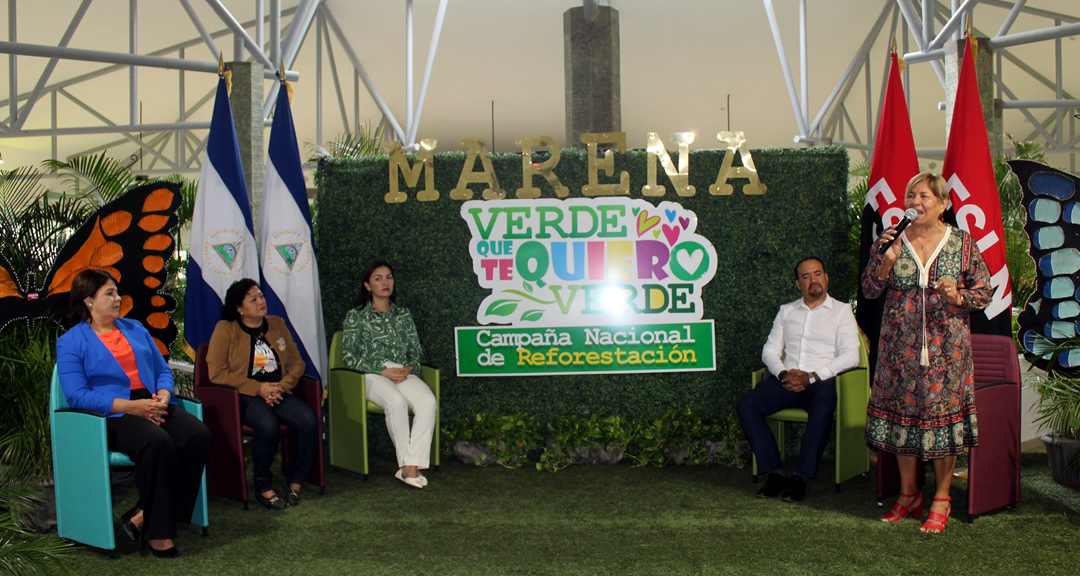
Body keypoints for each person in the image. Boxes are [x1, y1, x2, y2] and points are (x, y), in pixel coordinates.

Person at [862, 171, 991, 533]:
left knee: (945, 425)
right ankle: (908, 495)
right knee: (903, 422)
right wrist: (886, 261)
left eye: (924, 197)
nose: (915, 203)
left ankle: (942, 498)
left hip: (947, 352)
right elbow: (870, 291)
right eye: (911, 196)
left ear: (943, 204)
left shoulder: (961, 243)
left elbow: (983, 291)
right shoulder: (891, 238)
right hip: (899, 350)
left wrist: (958, 297)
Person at [56, 269, 211, 558]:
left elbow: (163, 370)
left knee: (198, 436)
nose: (118, 298)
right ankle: (157, 534)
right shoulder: (71, 341)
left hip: (151, 402)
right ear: (88, 301)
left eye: (117, 292)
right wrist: (131, 408)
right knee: (157, 443)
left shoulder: (135, 328)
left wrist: (164, 396)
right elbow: (77, 396)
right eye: (109, 293)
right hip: (110, 413)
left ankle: (143, 513)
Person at [737, 257, 860, 503]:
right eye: (806, 276)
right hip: (787, 378)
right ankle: (775, 473)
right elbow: (769, 351)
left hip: (821, 381)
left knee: (823, 407)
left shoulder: (842, 312)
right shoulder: (787, 311)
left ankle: (800, 478)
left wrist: (813, 377)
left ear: (826, 278)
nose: (813, 280)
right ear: (798, 284)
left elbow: (851, 356)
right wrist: (783, 373)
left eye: (817, 274)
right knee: (747, 405)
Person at [206, 278, 318, 510]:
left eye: (262, 297)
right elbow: (217, 374)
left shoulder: (277, 324)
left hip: (278, 390)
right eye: (253, 299)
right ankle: (263, 486)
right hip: (244, 395)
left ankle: (296, 481)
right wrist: (258, 388)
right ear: (239, 308)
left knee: (309, 420)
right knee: (268, 426)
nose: (261, 302)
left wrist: (282, 385)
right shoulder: (225, 329)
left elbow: (298, 363)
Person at [341, 261, 436, 488]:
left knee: (428, 402)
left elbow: (416, 351)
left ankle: (409, 465)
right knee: (395, 401)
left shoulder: (403, 315)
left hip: (402, 371)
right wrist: (381, 370)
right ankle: (409, 468)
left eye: (389, 277)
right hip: (369, 374)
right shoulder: (356, 317)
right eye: (378, 278)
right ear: (367, 285)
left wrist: (410, 368)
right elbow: (349, 358)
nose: (385, 283)